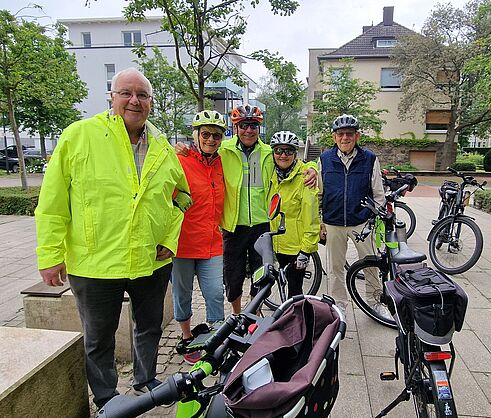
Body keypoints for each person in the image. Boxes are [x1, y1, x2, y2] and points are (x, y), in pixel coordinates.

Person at [35, 67, 191, 409]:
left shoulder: (163, 146)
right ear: (112, 97)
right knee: (98, 338)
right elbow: (52, 202)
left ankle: (145, 380)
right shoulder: (79, 136)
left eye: (142, 95)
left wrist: (170, 236)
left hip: (152, 259)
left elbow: (181, 197)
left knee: (149, 327)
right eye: (126, 93)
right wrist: (49, 254)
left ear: (151, 102)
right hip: (95, 262)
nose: (134, 100)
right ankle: (107, 399)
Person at [176, 104, 317, 314]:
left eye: (253, 125)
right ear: (236, 127)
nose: (248, 130)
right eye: (243, 125)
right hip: (234, 226)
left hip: (262, 225)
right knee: (233, 275)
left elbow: (296, 164)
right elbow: (200, 155)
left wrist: (312, 168)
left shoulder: (269, 152)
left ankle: (254, 313)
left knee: (262, 273)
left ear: (258, 128)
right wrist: (182, 150)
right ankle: (236, 314)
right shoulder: (223, 151)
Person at [172, 110, 226, 364]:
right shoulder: (181, 161)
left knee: (215, 292)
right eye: (206, 134)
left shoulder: (223, 162)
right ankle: (186, 336)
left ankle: (216, 335)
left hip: (212, 242)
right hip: (182, 243)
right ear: (196, 135)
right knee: (182, 294)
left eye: (216, 135)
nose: (211, 139)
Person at [318, 114, 386, 311]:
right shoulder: (325, 159)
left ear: (357, 136)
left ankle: (374, 302)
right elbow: (319, 194)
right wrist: (320, 222)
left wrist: (373, 219)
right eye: (340, 134)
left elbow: (378, 193)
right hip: (333, 221)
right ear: (334, 137)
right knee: (334, 268)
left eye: (349, 133)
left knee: (371, 263)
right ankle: (339, 304)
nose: (345, 138)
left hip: (361, 221)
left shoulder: (370, 159)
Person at [268, 131, 320, 296]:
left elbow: (311, 218)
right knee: (282, 289)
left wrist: (306, 250)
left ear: (295, 152)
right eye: (279, 151)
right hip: (276, 243)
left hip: (296, 248)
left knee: (295, 293)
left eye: (288, 151)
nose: (283, 155)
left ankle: (299, 322)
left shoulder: (305, 176)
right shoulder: (270, 173)